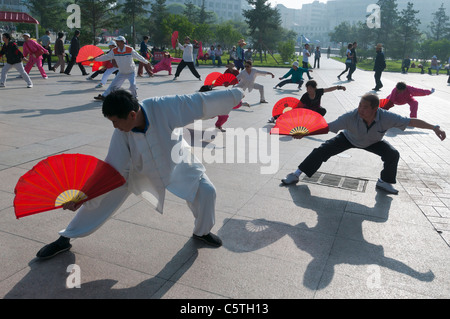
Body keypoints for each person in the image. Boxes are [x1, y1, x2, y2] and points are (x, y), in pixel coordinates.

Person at [35, 87, 245, 260]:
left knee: (207, 191)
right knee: (103, 197)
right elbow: (110, 166)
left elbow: (199, 102)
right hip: (137, 170)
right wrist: (84, 195)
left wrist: (235, 94)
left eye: (116, 121)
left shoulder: (165, 106)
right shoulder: (121, 133)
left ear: (132, 115)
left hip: (177, 162)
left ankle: (202, 232)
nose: (115, 126)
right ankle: (66, 237)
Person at [281, 93, 446, 195]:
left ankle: (384, 182)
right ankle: (296, 174)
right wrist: (305, 132)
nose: (360, 109)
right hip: (349, 138)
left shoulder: (387, 117)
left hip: (373, 141)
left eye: (365, 107)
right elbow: (327, 127)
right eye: (360, 105)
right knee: (321, 150)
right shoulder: (350, 117)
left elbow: (412, 122)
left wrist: (434, 127)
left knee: (392, 154)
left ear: (375, 109)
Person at [93, 36, 149, 101]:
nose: (116, 43)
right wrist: (95, 59)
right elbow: (106, 57)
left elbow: (138, 56)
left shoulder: (129, 49)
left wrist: (146, 62)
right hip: (122, 72)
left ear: (122, 42)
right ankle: (104, 96)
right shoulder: (114, 50)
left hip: (131, 72)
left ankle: (134, 97)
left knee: (132, 85)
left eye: (118, 41)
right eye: (116, 41)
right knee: (113, 85)